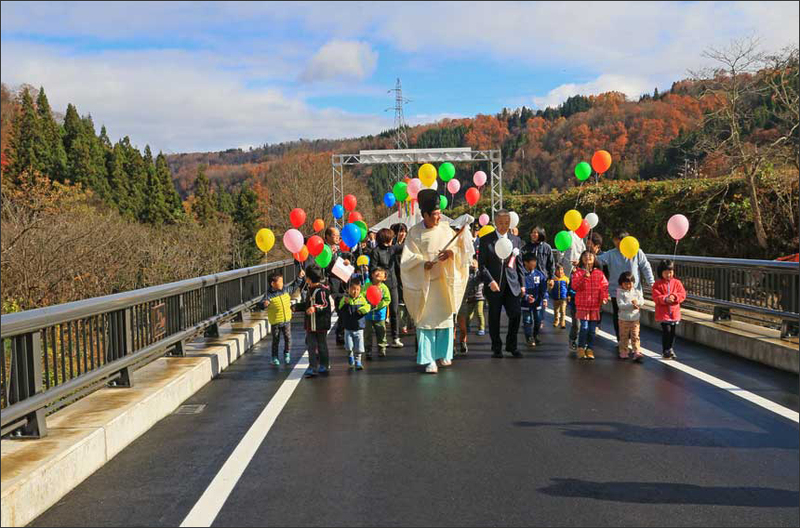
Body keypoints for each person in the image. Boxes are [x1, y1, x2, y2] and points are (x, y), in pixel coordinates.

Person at [400, 189, 473, 373]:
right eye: (434, 215)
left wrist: (451, 254)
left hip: (443, 283)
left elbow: (458, 251)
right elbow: (407, 260)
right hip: (425, 284)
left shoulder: (446, 229)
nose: (438, 218)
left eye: (440, 214)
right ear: (424, 214)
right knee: (426, 323)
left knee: (445, 321)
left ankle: (443, 354)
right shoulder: (414, 233)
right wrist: (423, 263)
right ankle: (429, 358)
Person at [478, 210, 526, 358]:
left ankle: (512, 345)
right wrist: (490, 281)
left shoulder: (516, 240)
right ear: (495, 223)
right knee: (494, 317)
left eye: (506, 223)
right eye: (500, 223)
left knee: (516, 314)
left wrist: (523, 284)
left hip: (512, 285)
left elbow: (519, 265)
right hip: (494, 285)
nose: (504, 226)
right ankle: (496, 347)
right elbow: (482, 265)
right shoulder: (486, 240)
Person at [596, 230, 655, 343]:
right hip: (616, 291)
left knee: (634, 315)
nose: (617, 246)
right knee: (618, 315)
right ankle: (621, 340)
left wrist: (651, 283)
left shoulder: (637, 252)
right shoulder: (611, 253)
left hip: (634, 291)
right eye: (615, 243)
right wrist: (587, 258)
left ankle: (633, 340)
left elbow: (645, 267)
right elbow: (599, 260)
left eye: (619, 243)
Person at [259, 268, 305, 366]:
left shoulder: (285, 289)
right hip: (276, 321)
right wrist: (264, 304)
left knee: (288, 338)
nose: (282, 283)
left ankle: (287, 353)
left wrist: (299, 277)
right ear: (273, 284)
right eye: (280, 282)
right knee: (276, 339)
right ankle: (274, 357)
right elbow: (260, 305)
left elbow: (293, 286)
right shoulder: (268, 295)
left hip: (287, 320)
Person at [295, 265, 333, 377]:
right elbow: (307, 305)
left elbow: (325, 305)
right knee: (311, 346)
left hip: (320, 324)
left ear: (308, 279)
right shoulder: (310, 290)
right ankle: (312, 366)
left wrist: (315, 308)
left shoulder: (321, 291)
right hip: (310, 324)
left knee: (322, 345)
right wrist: (296, 307)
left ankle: (324, 364)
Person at [369, 228, 404, 348]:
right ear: (386, 238)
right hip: (380, 287)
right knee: (381, 314)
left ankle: (396, 337)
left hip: (393, 284)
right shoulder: (376, 251)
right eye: (391, 237)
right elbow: (372, 268)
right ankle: (382, 340)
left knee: (394, 311)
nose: (393, 239)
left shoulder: (393, 249)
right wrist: (379, 275)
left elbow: (405, 247)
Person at [572, 250, 609, 360]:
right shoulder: (578, 272)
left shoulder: (599, 273)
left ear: (594, 258)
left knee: (592, 330)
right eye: (585, 255)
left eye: (590, 255)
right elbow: (575, 287)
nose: (587, 257)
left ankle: (590, 348)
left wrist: (604, 297)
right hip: (582, 305)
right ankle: (581, 348)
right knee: (584, 327)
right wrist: (584, 277)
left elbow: (604, 287)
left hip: (594, 306)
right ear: (581, 259)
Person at [323, 227, 353, 346]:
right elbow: (323, 266)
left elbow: (348, 259)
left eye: (338, 235)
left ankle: (341, 333)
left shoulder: (340, 249)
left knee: (344, 308)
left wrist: (347, 263)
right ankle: (338, 335)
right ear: (328, 237)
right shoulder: (324, 250)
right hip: (331, 284)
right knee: (340, 308)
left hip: (343, 282)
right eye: (335, 235)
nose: (338, 237)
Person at [653, 259, 686, 360]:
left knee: (672, 332)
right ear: (661, 272)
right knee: (666, 331)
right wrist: (665, 299)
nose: (668, 275)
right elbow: (656, 297)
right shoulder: (657, 284)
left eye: (670, 272)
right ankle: (665, 350)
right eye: (666, 272)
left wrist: (674, 297)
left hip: (674, 313)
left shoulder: (677, 283)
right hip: (663, 314)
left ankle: (670, 348)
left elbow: (682, 294)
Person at [339, 276, 371, 370]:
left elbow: (368, 307)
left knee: (359, 347)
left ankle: (358, 361)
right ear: (348, 289)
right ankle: (350, 355)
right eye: (353, 289)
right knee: (349, 346)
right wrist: (345, 303)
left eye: (357, 289)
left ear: (360, 289)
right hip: (348, 328)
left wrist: (361, 310)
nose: (355, 291)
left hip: (359, 327)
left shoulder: (362, 299)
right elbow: (340, 309)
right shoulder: (345, 299)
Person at [456, 258, 485, 355]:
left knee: (463, 327)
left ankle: (463, 342)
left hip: (464, 300)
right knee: (452, 327)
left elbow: (479, 278)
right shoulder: (459, 271)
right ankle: (452, 346)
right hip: (452, 301)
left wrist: (476, 268)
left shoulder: (471, 274)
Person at [616, 271, 644, 362]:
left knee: (635, 336)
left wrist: (638, 304)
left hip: (635, 318)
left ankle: (637, 351)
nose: (628, 285)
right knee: (624, 336)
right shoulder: (620, 293)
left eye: (630, 283)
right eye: (626, 283)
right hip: (623, 319)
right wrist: (632, 306)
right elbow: (620, 305)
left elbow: (642, 301)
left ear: (633, 282)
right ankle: (623, 351)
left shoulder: (637, 292)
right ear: (621, 284)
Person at [521, 254, 548, 347]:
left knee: (538, 321)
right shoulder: (521, 275)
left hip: (537, 302)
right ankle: (529, 338)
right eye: (532, 262)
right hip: (525, 303)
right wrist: (526, 297)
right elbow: (517, 289)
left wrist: (545, 298)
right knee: (527, 321)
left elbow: (543, 288)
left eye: (535, 261)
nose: (534, 264)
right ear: (526, 263)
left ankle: (535, 336)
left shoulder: (539, 274)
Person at [364, 267, 391, 360]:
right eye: (376, 272)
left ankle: (382, 348)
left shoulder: (384, 288)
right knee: (367, 333)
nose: (378, 274)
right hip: (368, 315)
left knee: (381, 332)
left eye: (381, 273)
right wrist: (368, 304)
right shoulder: (367, 286)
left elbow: (387, 299)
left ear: (385, 278)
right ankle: (368, 350)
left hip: (380, 315)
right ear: (372, 275)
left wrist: (378, 305)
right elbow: (363, 296)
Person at [391, 223, 412, 335]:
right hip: (396, 277)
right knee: (400, 303)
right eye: (400, 231)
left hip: (408, 276)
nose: (403, 234)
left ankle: (409, 323)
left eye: (404, 231)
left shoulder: (408, 245)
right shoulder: (392, 246)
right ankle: (402, 325)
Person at [550, 264, 569, 329]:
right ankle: (556, 321)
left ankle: (562, 322)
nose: (560, 271)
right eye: (558, 270)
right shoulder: (553, 279)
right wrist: (550, 285)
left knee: (563, 311)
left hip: (563, 298)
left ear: (563, 271)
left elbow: (568, 287)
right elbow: (550, 288)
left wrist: (568, 296)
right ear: (555, 271)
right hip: (555, 298)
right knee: (556, 311)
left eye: (561, 270)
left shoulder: (566, 279)